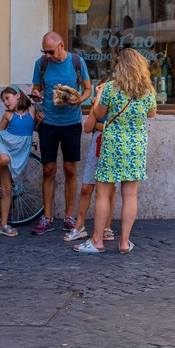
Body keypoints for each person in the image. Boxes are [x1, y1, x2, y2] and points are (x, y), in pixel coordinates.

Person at [73, 48, 156, 254]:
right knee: (130, 195)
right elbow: (152, 113)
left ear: (121, 66)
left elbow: (99, 113)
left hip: (112, 144)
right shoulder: (147, 91)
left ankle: (97, 241)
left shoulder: (111, 88)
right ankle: (124, 242)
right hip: (136, 145)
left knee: (103, 192)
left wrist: (99, 96)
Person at [30, 31, 91, 235]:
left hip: (71, 122)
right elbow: (36, 88)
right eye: (45, 51)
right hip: (48, 122)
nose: (48, 55)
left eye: (50, 51)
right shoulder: (42, 63)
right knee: (48, 169)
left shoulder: (76, 61)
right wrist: (36, 95)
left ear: (61, 46)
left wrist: (80, 100)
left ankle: (69, 217)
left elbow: (88, 89)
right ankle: (47, 217)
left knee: (70, 170)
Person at [0, 86, 43, 237]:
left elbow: (34, 128)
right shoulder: (8, 115)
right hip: (1, 144)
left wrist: (39, 121)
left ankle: (3, 225)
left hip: (18, 150)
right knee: (4, 158)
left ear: (18, 95)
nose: (5, 102)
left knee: (7, 190)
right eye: (3, 100)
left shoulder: (32, 110)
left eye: (7, 98)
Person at [63, 78, 117, 243]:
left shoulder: (117, 104)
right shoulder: (99, 105)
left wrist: (100, 127)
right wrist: (97, 102)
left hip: (113, 145)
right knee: (86, 187)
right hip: (97, 146)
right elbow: (87, 128)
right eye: (100, 88)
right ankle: (79, 227)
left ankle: (107, 226)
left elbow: (112, 126)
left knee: (111, 188)